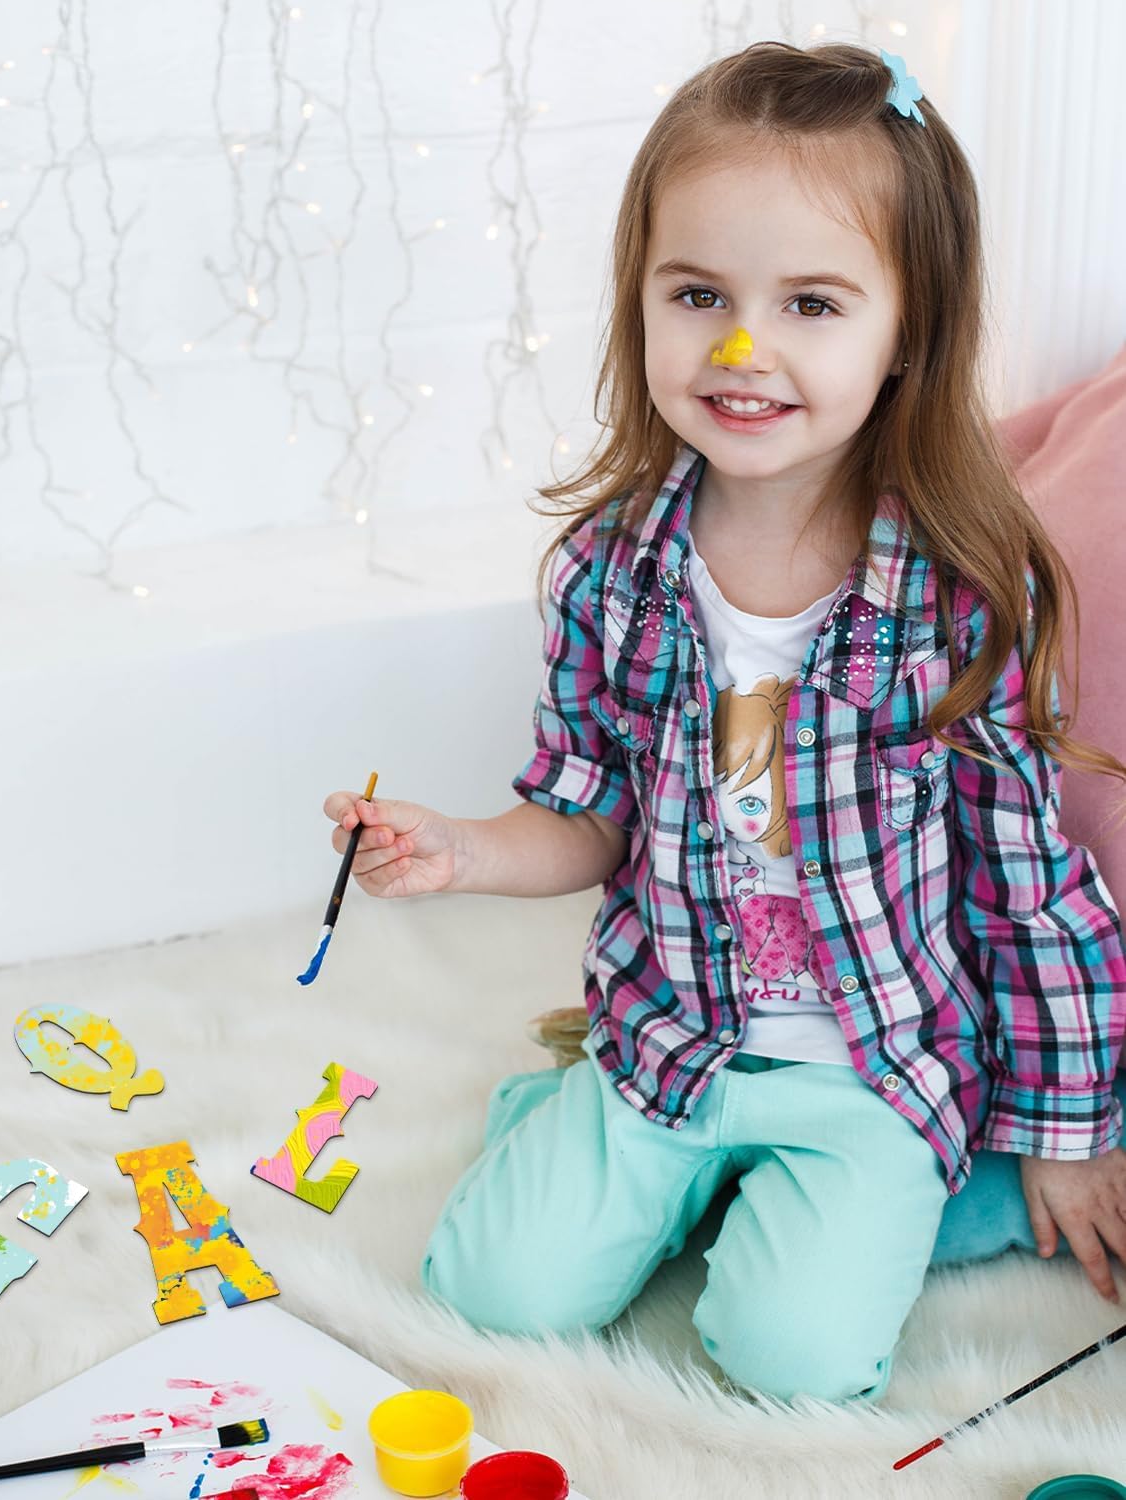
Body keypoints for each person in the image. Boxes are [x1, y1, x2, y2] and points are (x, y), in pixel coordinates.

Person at [320, 40, 1126, 1405]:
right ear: (641, 303)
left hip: (877, 1066)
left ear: (907, 332)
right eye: (699, 295)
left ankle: (946, 1178)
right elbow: (585, 817)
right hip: (669, 1034)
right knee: (493, 1297)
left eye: (811, 303)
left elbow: (1037, 890)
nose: (741, 350)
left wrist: (1067, 1129)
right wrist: (462, 850)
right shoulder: (609, 572)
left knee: (795, 1363)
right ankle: (583, 1124)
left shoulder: (956, 597)